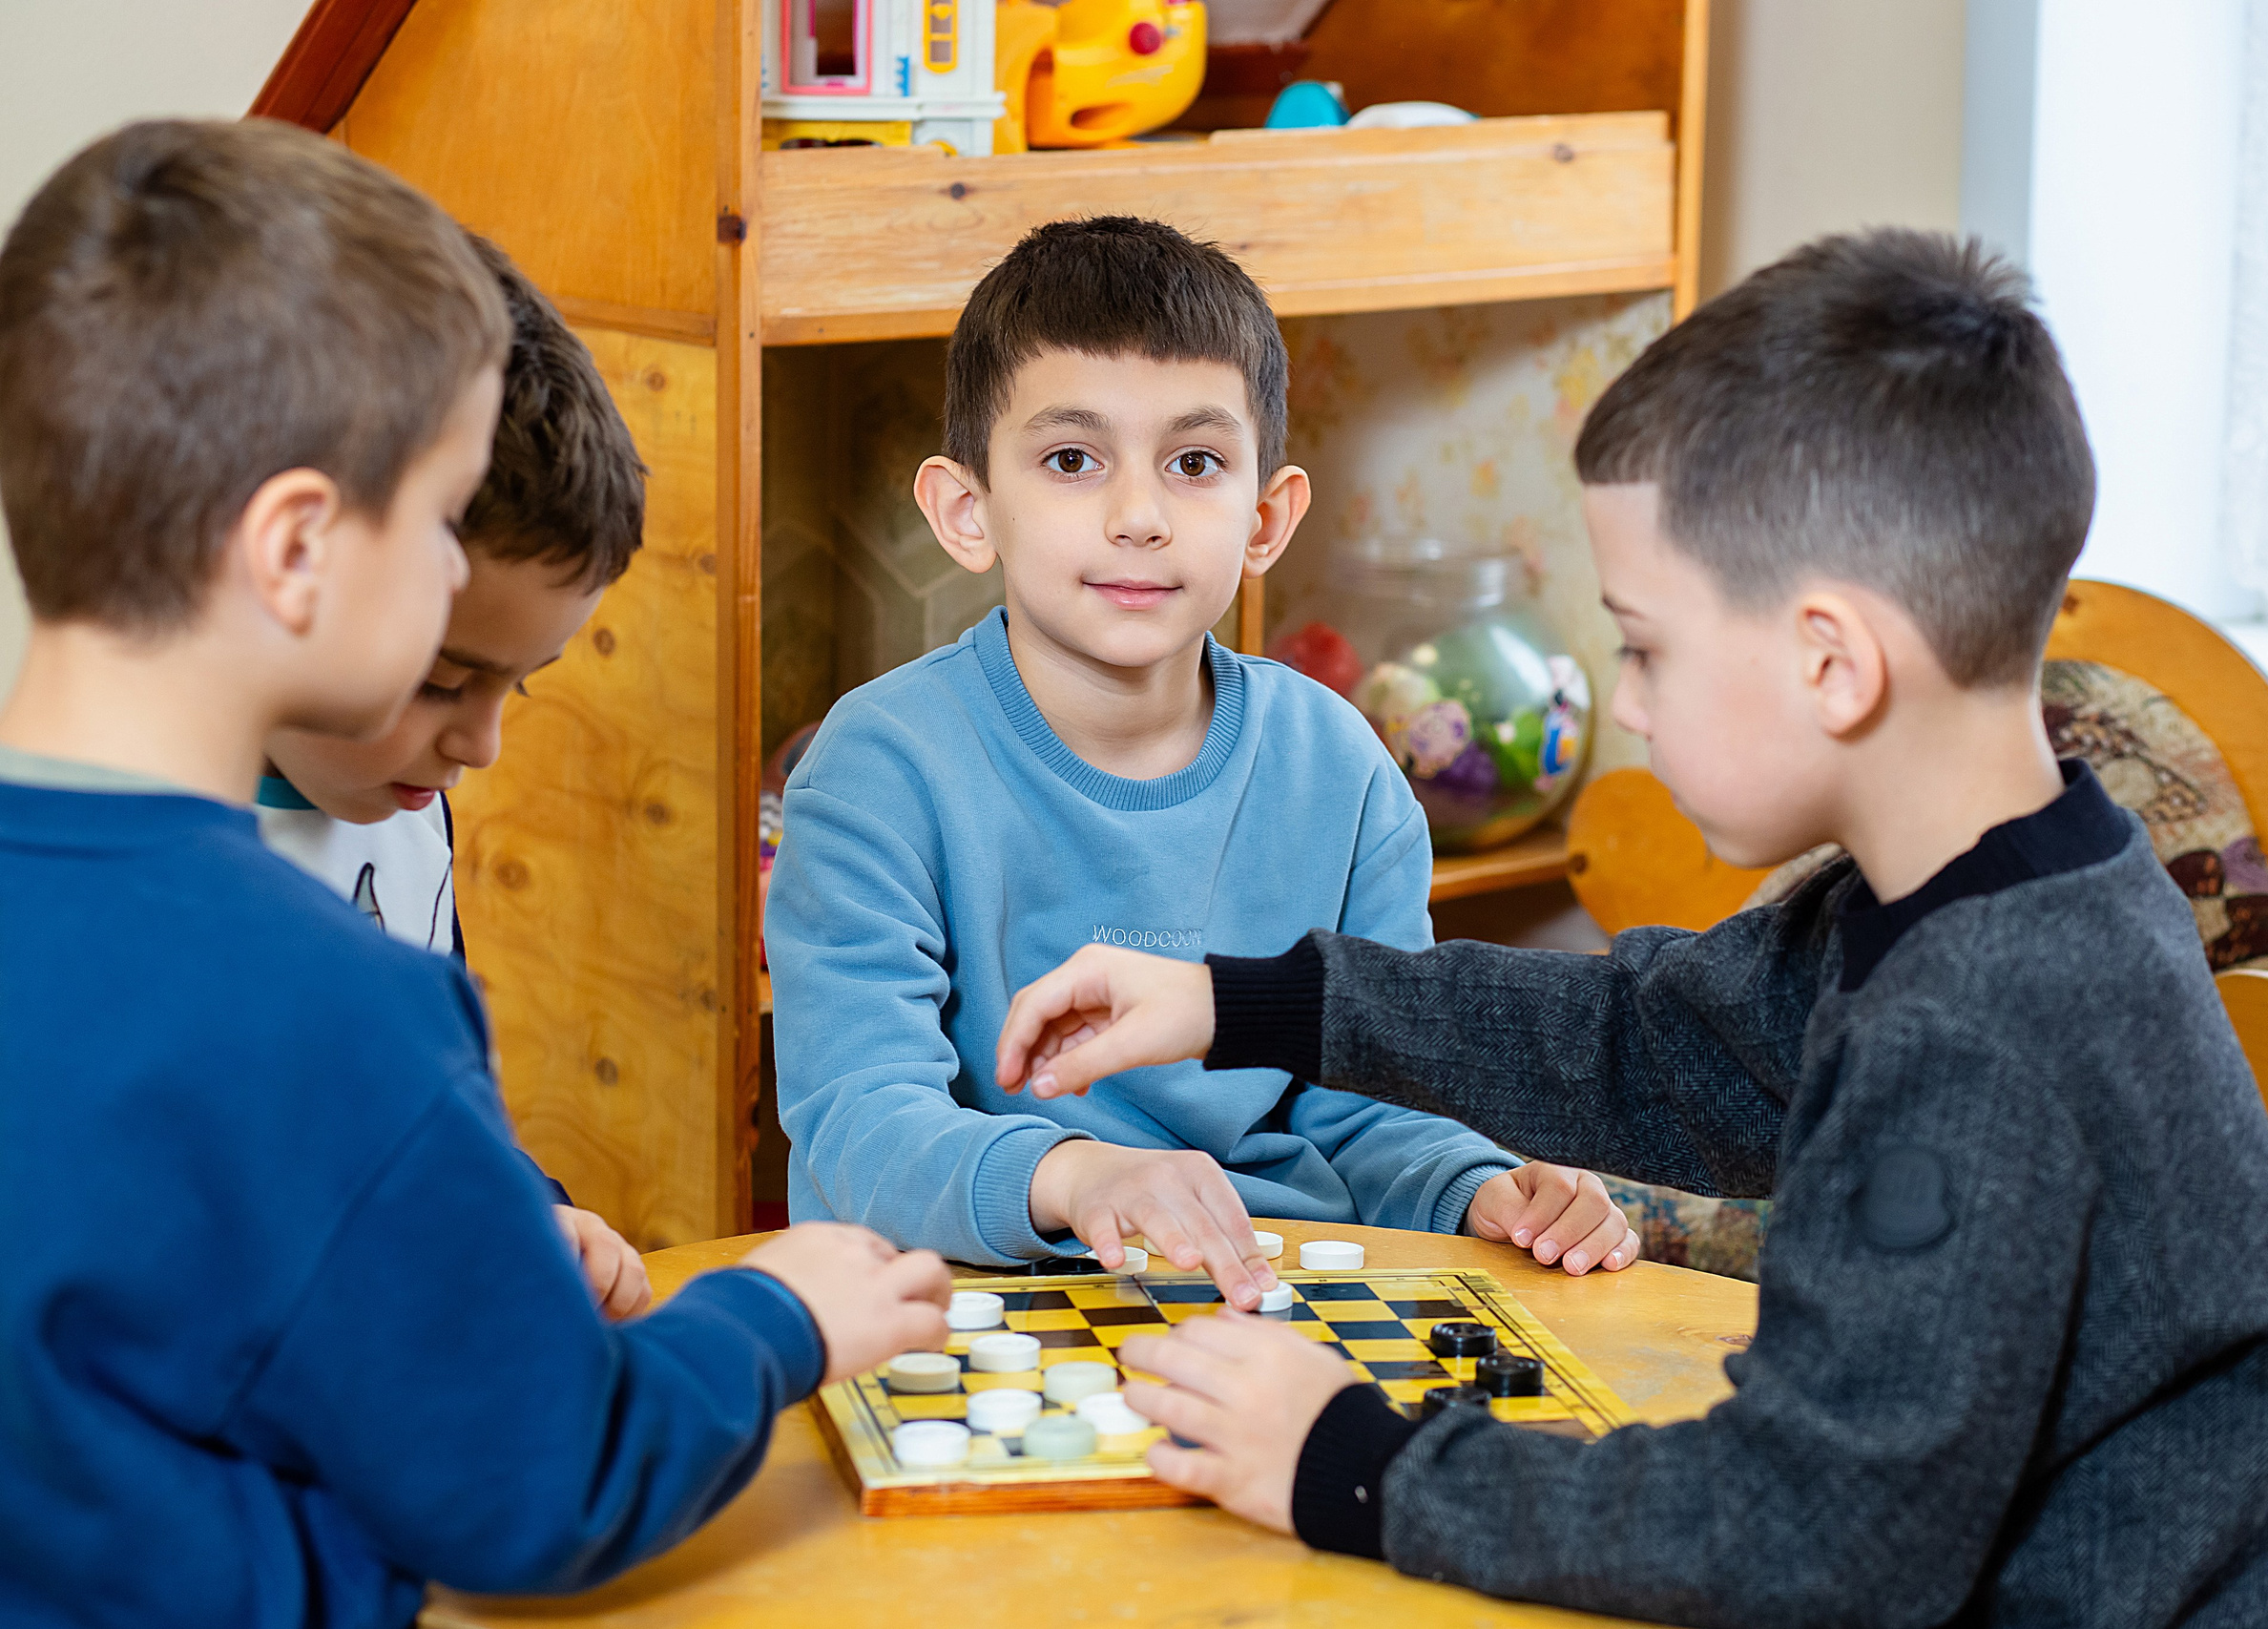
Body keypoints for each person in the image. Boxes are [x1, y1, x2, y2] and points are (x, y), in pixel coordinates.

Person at [991, 230, 2268, 1622]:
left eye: (1646, 642)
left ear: (1831, 661)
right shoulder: (1982, 880)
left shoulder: (1978, 1032)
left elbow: (1812, 1535)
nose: (1623, 698)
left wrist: (1354, 1459)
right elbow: (1646, 1041)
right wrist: (1239, 998)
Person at [0, 119, 949, 1629]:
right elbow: (536, 1483)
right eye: (446, 522)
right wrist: (772, 1317)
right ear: (298, 546)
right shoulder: (324, 1000)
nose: (457, 565)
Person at [767, 217, 1632, 1312]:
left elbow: (1371, 1099)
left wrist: (1473, 1187)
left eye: (1195, 463)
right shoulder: (878, 767)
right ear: (966, 509)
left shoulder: (1342, 766)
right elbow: (861, 1123)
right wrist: (1074, 1177)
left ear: (1265, 517)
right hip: (969, 1306)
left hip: (1267, 1296)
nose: (1139, 517)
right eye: (1071, 460)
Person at [259, 232, 653, 1317]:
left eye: (514, 687)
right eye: (440, 682)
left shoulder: (394, 800)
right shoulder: (152, 877)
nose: (479, 747)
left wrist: (530, 1211)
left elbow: (434, 1117)